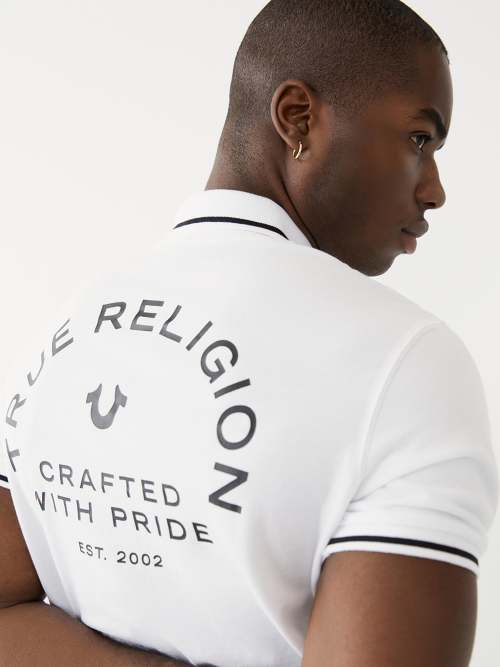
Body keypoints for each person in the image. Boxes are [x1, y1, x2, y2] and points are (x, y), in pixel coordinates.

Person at [0, 1, 498, 666]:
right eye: (418, 139)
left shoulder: (77, 320)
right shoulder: (408, 364)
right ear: (297, 118)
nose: (435, 191)